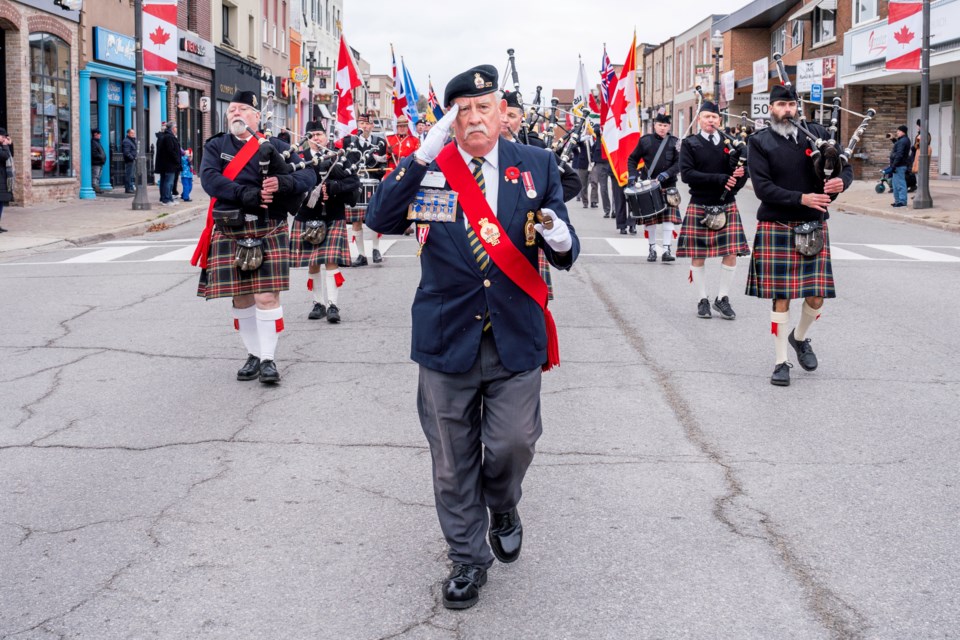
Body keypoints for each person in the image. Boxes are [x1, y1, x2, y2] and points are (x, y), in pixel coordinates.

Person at [365, 64, 580, 611]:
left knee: (512, 443)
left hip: (515, 331)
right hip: (445, 336)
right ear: (450, 121)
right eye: (463, 110)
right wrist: (419, 155)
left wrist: (558, 234)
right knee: (451, 458)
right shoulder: (429, 167)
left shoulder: (536, 164)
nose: (475, 118)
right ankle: (466, 558)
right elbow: (379, 218)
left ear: (502, 111)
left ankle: (503, 503)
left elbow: (565, 248)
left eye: (484, 107)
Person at [192, 90, 316, 384]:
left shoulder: (276, 145)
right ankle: (254, 354)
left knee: (266, 296)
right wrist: (245, 194)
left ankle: (269, 359)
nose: (235, 113)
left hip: (268, 225)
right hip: (230, 226)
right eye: (232, 109)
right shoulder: (216, 145)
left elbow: (309, 175)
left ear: (256, 117)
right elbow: (210, 178)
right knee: (242, 297)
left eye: (243, 109)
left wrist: (282, 182)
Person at [746, 84, 852, 386]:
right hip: (777, 224)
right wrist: (801, 198)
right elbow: (763, 188)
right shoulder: (760, 141)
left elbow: (845, 166)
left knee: (817, 297)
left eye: (791, 105)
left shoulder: (817, 133)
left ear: (798, 107)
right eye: (781, 105)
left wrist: (842, 182)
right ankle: (781, 361)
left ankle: (800, 337)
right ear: (771, 110)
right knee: (782, 299)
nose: (787, 110)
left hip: (814, 225)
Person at [677, 100, 750, 320]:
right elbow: (687, 174)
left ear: (720, 120)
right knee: (698, 255)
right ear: (699, 119)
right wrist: (720, 179)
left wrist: (739, 176)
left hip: (726, 203)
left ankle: (722, 298)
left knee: (730, 253)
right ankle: (702, 300)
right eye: (707, 116)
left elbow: (740, 175)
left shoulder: (731, 144)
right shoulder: (691, 144)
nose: (711, 120)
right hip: (700, 202)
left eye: (714, 117)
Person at [290, 121, 358, 323]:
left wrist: (333, 187)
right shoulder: (299, 158)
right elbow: (291, 182)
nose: (316, 138)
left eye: (319, 134)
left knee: (330, 260)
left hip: (332, 214)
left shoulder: (338, 156)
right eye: (311, 134)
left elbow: (354, 181)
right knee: (312, 262)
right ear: (306, 138)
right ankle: (318, 303)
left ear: (326, 136)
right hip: (307, 214)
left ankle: (332, 305)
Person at [627, 113, 681, 262]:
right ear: (654, 125)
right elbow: (632, 159)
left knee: (668, 220)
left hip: (668, 186)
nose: (662, 128)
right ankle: (651, 249)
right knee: (650, 220)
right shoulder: (645, 141)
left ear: (669, 126)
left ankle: (667, 249)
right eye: (660, 125)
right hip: (648, 186)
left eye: (665, 126)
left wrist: (667, 173)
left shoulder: (675, 142)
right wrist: (632, 176)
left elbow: (679, 163)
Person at [341, 112, 388, 266]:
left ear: (372, 125)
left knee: (374, 218)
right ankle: (361, 255)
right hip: (355, 184)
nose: (365, 126)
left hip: (372, 184)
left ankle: (375, 249)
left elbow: (382, 165)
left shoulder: (380, 142)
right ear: (358, 125)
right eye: (362, 123)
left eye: (368, 123)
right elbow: (344, 162)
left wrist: (379, 170)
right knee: (356, 222)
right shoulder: (349, 141)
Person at [155, 121, 181, 205]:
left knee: (165, 181)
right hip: (169, 164)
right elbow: (171, 151)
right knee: (168, 182)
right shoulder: (169, 137)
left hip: (166, 164)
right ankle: (166, 199)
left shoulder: (166, 136)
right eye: (176, 127)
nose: (177, 129)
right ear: (173, 128)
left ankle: (167, 198)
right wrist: (177, 160)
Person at [885, 125, 911, 208]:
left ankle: (902, 201)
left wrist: (893, 165)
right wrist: (893, 139)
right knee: (895, 185)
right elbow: (898, 147)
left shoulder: (903, 141)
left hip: (899, 166)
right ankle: (898, 201)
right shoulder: (902, 140)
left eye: (898, 131)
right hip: (898, 165)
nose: (897, 132)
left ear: (903, 131)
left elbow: (899, 154)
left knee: (900, 184)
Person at [589, 133, 611, 215]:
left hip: (610, 161)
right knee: (604, 188)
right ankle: (608, 210)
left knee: (614, 187)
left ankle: (612, 210)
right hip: (602, 163)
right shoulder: (599, 137)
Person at [0, 128, 12, 233]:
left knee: (1, 203)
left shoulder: (2, 146)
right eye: (2, 136)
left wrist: (8, 144)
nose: (4, 139)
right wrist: (5, 145)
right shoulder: (2, 147)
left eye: (5, 137)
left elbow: (9, 155)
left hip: (2, 178)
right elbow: (4, 156)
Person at [90, 128, 107, 194]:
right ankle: (95, 188)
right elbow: (94, 153)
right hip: (96, 163)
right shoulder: (94, 143)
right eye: (99, 134)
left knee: (98, 176)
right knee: (95, 176)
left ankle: (96, 188)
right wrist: (101, 157)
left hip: (99, 163)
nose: (100, 135)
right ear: (95, 134)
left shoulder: (97, 142)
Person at [121, 129, 137, 193]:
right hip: (129, 161)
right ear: (128, 134)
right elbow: (126, 152)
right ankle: (128, 188)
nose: (133, 134)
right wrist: (132, 158)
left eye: (134, 133)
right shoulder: (127, 141)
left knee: (131, 175)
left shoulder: (132, 140)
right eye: (132, 133)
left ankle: (131, 187)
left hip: (132, 160)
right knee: (129, 175)